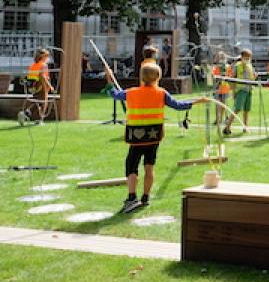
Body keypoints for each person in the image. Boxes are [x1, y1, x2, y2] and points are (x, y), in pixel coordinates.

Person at [107, 63, 204, 213]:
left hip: (136, 137)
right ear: (158, 77)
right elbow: (178, 105)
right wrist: (196, 101)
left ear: (141, 77)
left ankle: (132, 197)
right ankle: (145, 198)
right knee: (149, 166)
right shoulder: (161, 93)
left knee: (131, 165)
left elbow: (114, 94)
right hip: (153, 137)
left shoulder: (131, 92)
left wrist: (109, 80)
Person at [224, 49, 256, 135]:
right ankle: (227, 126)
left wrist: (255, 76)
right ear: (241, 57)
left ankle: (245, 126)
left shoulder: (250, 65)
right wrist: (233, 91)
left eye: (249, 57)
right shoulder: (237, 66)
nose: (248, 59)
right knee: (237, 108)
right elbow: (232, 79)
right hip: (240, 90)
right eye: (246, 57)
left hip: (249, 90)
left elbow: (252, 76)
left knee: (247, 109)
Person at [21, 48, 54, 123]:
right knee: (43, 102)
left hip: (33, 87)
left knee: (37, 102)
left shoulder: (33, 65)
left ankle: (26, 114)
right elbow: (43, 77)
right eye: (47, 56)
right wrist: (49, 86)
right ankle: (40, 119)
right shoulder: (43, 65)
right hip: (41, 86)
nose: (48, 58)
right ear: (43, 57)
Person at [211, 52, 232, 126]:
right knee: (217, 104)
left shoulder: (228, 66)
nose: (221, 58)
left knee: (224, 104)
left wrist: (226, 76)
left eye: (222, 57)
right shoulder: (215, 67)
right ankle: (217, 118)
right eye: (219, 57)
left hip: (225, 88)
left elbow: (230, 76)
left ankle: (222, 118)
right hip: (217, 88)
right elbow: (212, 75)